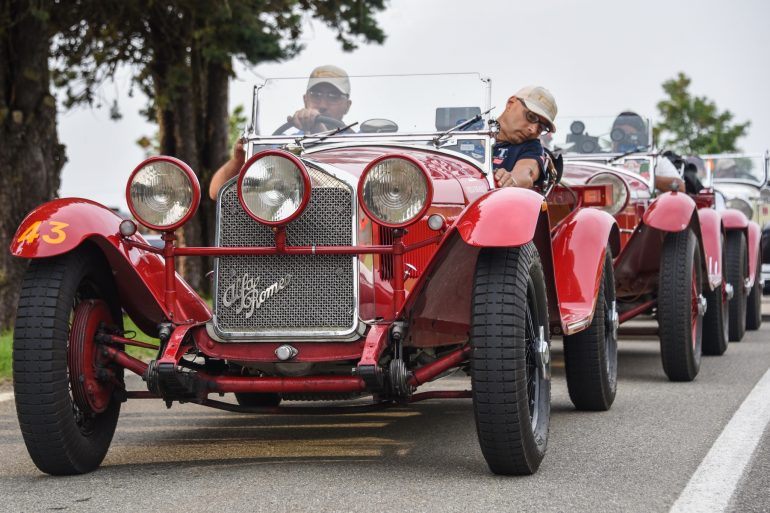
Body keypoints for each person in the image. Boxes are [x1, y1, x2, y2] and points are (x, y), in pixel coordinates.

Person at [209, 65, 352, 200]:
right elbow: (216, 192)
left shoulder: (360, 145)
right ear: (305, 99)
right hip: (288, 223)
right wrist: (239, 160)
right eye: (316, 94)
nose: (322, 104)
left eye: (333, 96)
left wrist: (318, 131)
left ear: (347, 105)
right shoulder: (281, 145)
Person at [493, 85, 557, 189]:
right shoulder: (469, 132)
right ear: (511, 103)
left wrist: (510, 179)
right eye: (531, 116)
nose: (533, 130)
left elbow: (527, 173)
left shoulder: (532, 148)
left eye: (541, 127)